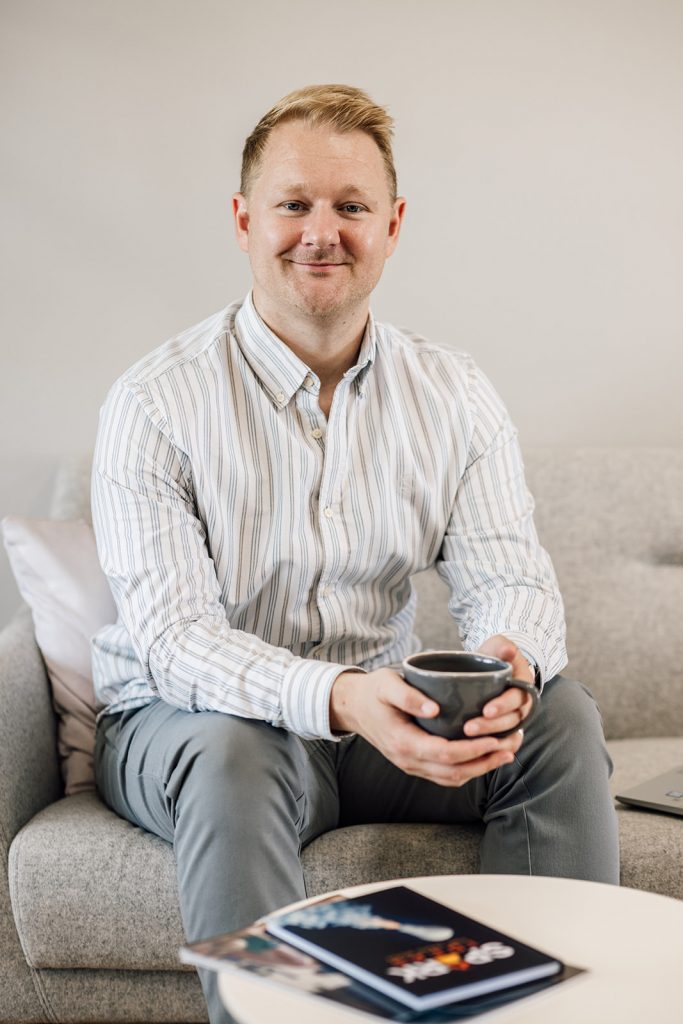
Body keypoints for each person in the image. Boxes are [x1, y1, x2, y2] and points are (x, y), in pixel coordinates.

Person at [91, 84, 619, 1024]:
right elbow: (176, 643)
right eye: (293, 204)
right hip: (187, 723)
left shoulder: (454, 393)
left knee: (557, 714)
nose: (321, 232)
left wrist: (510, 663)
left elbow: (512, 579)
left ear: (392, 225)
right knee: (233, 749)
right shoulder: (154, 403)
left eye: (350, 206)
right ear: (244, 220)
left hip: (379, 727)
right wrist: (340, 697)